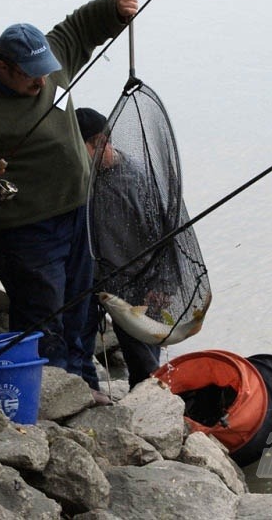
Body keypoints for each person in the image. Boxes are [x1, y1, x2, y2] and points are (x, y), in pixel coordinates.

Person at [0, 0, 138, 405]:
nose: (42, 82)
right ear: (4, 68)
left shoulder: (51, 60)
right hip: (27, 231)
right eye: (31, 76)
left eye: (46, 72)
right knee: (45, 315)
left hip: (78, 214)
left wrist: (115, 7)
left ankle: (83, 387)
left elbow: (81, 26)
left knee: (79, 305)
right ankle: (50, 394)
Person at [76, 107, 174, 389]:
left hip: (138, 286)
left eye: (80, 148)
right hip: (91, 281)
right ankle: (88, 395)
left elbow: (166, 238)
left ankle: (150, 419)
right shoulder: (82, 177)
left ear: (101, 142)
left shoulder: (137, 181)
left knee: (144, 364)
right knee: (78, 344)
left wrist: (163, 285)